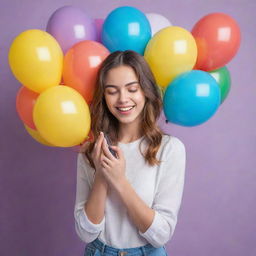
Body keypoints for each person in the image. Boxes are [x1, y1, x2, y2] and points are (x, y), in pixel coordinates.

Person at [74, 50, 186, 256]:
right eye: (112, 91)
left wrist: (119, 180)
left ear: (146, 91)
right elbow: (85, 233)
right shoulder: (91, 151)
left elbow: (161, 235)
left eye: (132, 89)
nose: (123, 99)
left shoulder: (170, 149)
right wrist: (101, 175)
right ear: (104, 96)